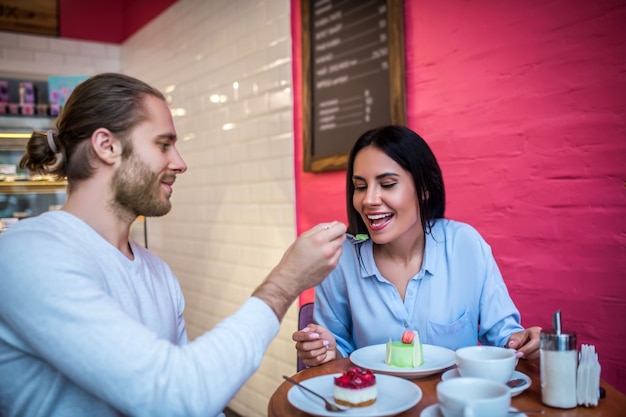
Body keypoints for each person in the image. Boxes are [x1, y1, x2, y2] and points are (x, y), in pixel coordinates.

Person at [0, 73, 347, 417]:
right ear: (106, 146)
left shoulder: (157, 273)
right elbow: (176, 394)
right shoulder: (28, 253)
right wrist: (285, 282)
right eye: (163, 144)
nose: (180, 163)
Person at [292, 125, 541, 369]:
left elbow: (504, 338)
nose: (368, 200)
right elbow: (338, 350)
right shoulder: (340, 259)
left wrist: (524, 342)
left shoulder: (465, 245)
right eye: (360, 187)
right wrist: (325, 349)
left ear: (423, 188)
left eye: (387, 184)